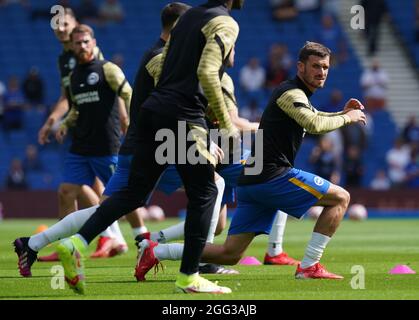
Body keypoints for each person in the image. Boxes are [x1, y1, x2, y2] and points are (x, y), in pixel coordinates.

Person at [45, 0, 243, 296]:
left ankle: (75, 242)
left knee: (133, 193)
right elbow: (206, 70)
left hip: (154, 113)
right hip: (183, 116)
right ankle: (189, 276)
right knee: (206, 191)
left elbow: (167, 67)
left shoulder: (189, 19)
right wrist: (225, 126)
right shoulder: (224, 22)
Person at [137, 41, 367, 281]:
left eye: (325, 67)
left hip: (253, 181)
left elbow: (315, 116)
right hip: (272, 176)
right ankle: (309, 266)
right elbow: (314, 124)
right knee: (341, 197)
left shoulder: (298, 95)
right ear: (300, 67)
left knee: (229, 254)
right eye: (316, 66)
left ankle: (157, 250)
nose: (321, 72)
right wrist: (348, 119)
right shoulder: (290, 93)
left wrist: (340, 114)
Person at [13, 3, 191, 277]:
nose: (77, 43)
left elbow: (129, 96)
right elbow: (79, 103)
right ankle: (182, 260)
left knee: (108, 205)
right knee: (210, 189)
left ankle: (35, 243)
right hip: (150, 145)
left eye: (82, 39)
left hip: (121, 142)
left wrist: (126, 120)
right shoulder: (162, 57)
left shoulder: (109, 67)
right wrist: (61, 122)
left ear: (92, 41)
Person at [36, 8, 139, 260]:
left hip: (104, 129)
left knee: (114, 191)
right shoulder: (64, 59)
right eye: (56, 25)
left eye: (65, 23)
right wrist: (53, 121)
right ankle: (100, 238)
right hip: (81, 127)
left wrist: (125, 119)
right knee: (77, 187)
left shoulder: (86, 49)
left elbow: (111, 82)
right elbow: (67, 97)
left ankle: (132, 237)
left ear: (75, 24)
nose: (60, 28)